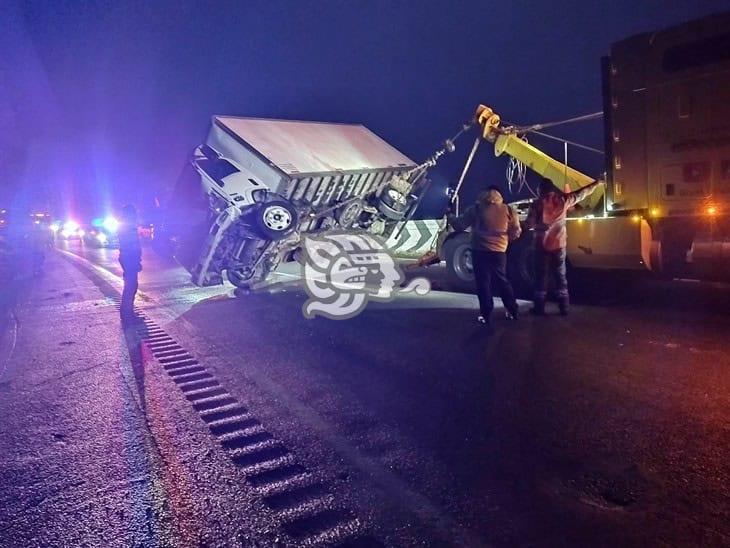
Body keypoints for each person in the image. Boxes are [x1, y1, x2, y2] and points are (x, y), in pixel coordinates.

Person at [525, 177, 602, 316]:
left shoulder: (536, 205)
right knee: (560, 275)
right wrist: (597, 183)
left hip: (540, 245)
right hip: (559, 245)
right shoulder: (563, 200)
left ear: (540, 190)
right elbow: (581, 193)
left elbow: (529, 223)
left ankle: (539, 308)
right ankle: (564, 307)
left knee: (541, 277)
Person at [448, 185, 521, 326]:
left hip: (479, 251)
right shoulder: (509, 210)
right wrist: (505, 241)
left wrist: (450, 215)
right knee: (502, 281)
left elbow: (459, 225)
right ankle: (513, 310)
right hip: (499, 252)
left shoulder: (476, 209)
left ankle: (486, 315)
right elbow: (516, 231)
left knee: (483, 284)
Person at [118, 204, 142, 322]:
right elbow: (132, 245)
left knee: (131, 286)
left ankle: (128, 313)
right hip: (129, 258)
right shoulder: (127, 226)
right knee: (130, 286)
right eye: (134, 213)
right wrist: (136, 260)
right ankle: (127, 315)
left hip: (129, 258)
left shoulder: (127, 225)